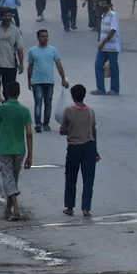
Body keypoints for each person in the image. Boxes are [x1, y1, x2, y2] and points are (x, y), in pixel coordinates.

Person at [0, 81, 33, 221]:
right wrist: (30, 155)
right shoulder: (25, 110)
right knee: (12, 179)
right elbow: (29, 134)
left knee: (8, 179)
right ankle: (8, 208)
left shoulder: (0, 109)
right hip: (20, 150)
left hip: (5, 149)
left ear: (6, 93)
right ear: (18, 93)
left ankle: (16, 208)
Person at [57, 85, 99, 217]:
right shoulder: (90, 111)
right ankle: (86, 208)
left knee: (70, 177)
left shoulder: (69, 111)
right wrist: (96, 150)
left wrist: (69, 130)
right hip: (89, 147)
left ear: (73, 96)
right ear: (84, 95)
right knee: (88, 179)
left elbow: (62, 130)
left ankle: (69, 207)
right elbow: (94, 131)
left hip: (74, 147)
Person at [26, 29, 68, 132]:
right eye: (42, 36)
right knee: (38, 103)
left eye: (46, 36)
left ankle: (46, 123)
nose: (45, 38)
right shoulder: (33, 51)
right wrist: (29, 80)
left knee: (48, 104)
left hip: (49, 81)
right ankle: (38, 124)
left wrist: (63, 78)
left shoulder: (53, 50)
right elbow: (30, 66)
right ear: (38, 38)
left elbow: (59, 65)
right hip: (37, 81)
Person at [0, 9, 24, 91]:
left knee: (8, 89)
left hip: (11, 65)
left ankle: (5, 103)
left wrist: (21, 63)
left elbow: (19, 48)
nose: (7, 18)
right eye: (5, 16)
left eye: (9, 16)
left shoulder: (15, 30)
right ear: (1, 16)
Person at [94, 0, 121, 95]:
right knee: (98, 65)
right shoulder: (103, 15)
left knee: (113, 67)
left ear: (109, 5)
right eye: (101, 3)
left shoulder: (113, 15)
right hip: (103, 47)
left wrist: (103, 42)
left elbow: (113, 31)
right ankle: (100, 88)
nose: (102, 5)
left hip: (112, 47)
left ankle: (114, 89)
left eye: (104, 3)